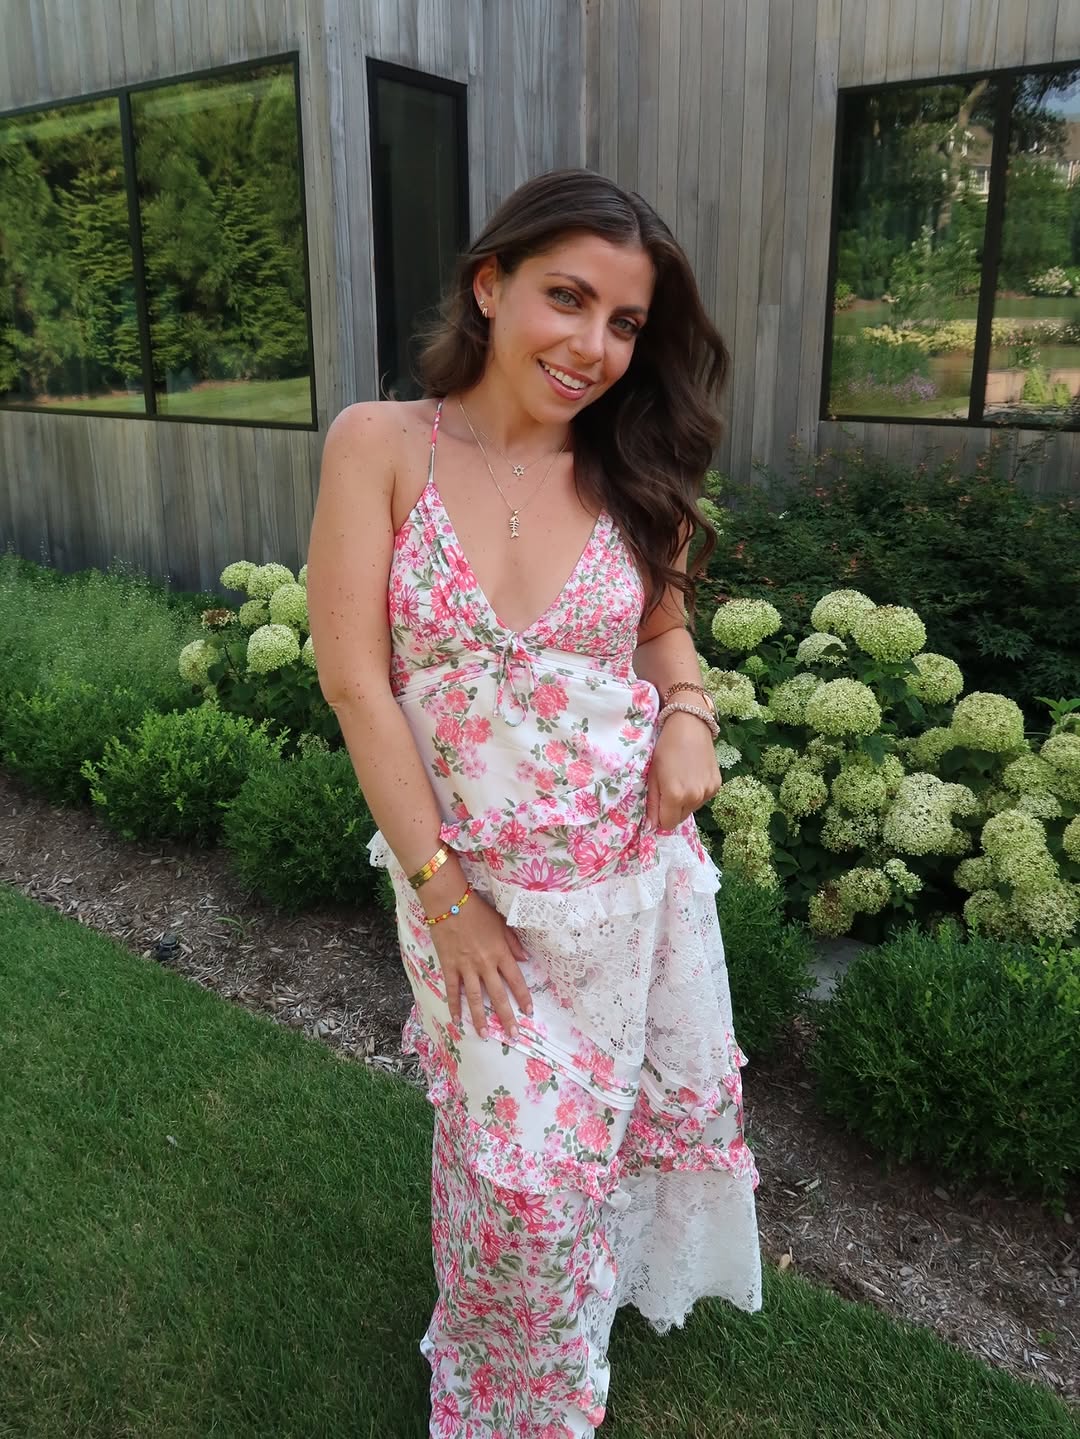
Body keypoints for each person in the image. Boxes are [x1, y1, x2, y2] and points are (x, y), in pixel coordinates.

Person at [306, 167, 761, 1438]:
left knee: (585, 1149)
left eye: (625, 323)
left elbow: (664, 635)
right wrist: (444, 895)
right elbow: (355, 681)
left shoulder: (626, 466)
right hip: (468, 887)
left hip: (623, 881)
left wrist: (688, 715)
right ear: (489, 285)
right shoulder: (381, 445)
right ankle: (502, 1385)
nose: (594, 346)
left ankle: (556, 1358)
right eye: (568, 298)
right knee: (513, 1167)